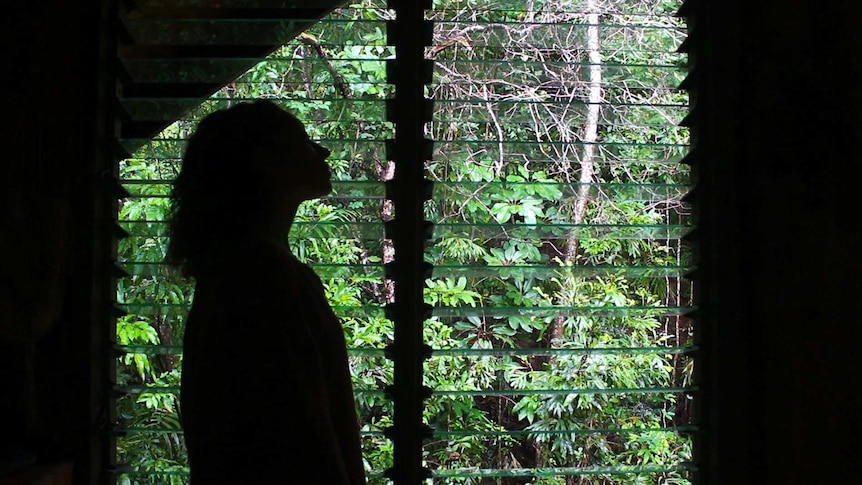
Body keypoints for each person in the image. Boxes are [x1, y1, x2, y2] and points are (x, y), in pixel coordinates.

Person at [166, 100, 366, 484]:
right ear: (264, 161)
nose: (322, 151)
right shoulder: (263, 278)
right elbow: (301, 430)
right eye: (303, 140)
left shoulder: (241, 270)